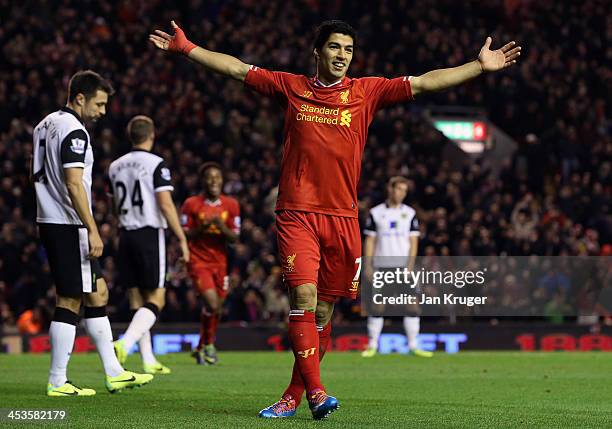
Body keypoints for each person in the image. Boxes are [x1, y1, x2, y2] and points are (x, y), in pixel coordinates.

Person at [149, 19, 521, 419]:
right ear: (318, 52)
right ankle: (317, 392)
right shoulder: (292, 88)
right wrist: (188, 48)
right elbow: (238, 68)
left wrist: (478, 67)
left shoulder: (366, 92)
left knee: (324, 313)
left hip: (343, 217)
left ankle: (293, 394)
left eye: (348, 49)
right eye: (334, 47)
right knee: (304, 298)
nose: (342, 55)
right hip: (297, 213)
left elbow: (426, 83)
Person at [33, 70, 153, 396]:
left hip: (52, 219)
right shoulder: (75, 130)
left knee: (97, 293)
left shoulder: (45, 124)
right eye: (99, 104)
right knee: (70, 298)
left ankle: (114, 371)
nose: (102, 112)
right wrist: (92, 228)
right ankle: (58, 380)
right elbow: (73, 183)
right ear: (80, 97)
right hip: (68, 223)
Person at [109, 115, 189, 374]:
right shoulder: (156, 164)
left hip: (125, 234)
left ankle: (148, 360)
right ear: (152, 135)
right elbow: (165, 203)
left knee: (137, 300)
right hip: (149, 234)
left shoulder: (115, 166)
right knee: (157, 299)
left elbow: (113, 205)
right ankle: (125, 343)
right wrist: (181, 237)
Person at [361, 177, 432, 358]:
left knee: (412, 305)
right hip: (381, 266)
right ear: (390, 189)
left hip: (403, 266)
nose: (401, 193)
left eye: (404, 190)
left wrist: (410, 266)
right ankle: (372, 345)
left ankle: (413, 345)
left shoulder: (409, 213)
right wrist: (368, 264)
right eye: (398, 189)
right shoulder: (376, 213)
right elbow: (370, 240)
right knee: (378, 306)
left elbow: (413, 241)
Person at [180, 162, 240, 365]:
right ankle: (209, 345)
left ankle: (200, 347)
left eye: (218, 177)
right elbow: (184, 233)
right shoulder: (191, 204)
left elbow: (235, 238)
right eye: (210, 177)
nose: (214, 181)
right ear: (203, 181)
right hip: (198, 261)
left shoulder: (231, 205)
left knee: (216, 308)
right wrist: (201, 227)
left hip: (220, 262)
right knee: (212, 303)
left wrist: (221, 227)